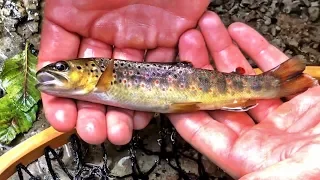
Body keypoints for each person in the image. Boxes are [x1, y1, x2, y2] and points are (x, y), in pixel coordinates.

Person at [37, 0, 320, 179]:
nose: (53, 73)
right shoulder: (99, 80)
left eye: (62, 67)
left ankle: (275, 84)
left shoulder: (105, 74)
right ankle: (275, 84)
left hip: (191, 87)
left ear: (91, 70)